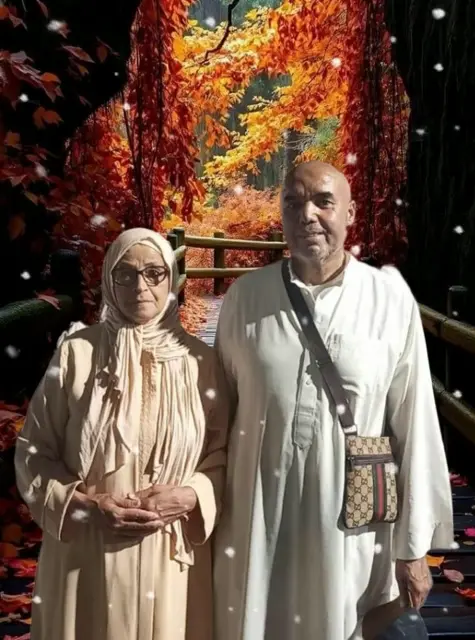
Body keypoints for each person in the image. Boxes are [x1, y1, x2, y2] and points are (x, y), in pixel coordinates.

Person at [213, 161, 453, 640]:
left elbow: (415, 426)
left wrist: (412, 547)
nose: (307, 215)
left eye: (323, 201)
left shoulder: (389, 301)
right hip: (258, 522)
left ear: (350, 212)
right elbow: (216, 418)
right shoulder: (245, 299)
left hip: (349, 529)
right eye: (293, 203)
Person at [15, 228, 230, 640]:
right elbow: (34, 453)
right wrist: (85, 506)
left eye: (154, 273)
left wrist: (191, 495)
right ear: (109, 280)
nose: (140, 286)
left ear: (171, 279)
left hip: (170, 556)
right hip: (88, 551)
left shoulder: (201, 362)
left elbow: (224, 455)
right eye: (125, 274)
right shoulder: (77, 354)